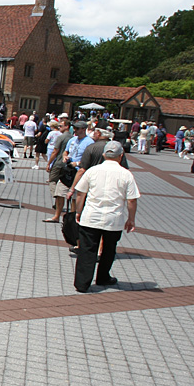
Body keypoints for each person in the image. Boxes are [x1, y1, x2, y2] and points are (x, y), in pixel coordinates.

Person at [72, 140, 140, 293]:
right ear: (121, 156)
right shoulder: (126, 174)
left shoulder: (92, 171)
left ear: (104, 155)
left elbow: (81, 193)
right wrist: (131, 218)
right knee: (109, 249)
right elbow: (132, 200)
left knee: (87, 250)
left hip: (91, 216)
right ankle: (103, 277)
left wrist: (78, 211)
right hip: (114, 218)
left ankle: (82, 283)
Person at [43, 118, 72, 223]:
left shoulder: (61, 137)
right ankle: (59, 199)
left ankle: (57, 198)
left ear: (67, 126)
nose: (59, 128)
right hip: (67, 165)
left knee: (52, 180)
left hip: (59, 163)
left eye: (61, 126)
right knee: (64, 182)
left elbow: (55, 151)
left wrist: (49, 163)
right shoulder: (73, 138)